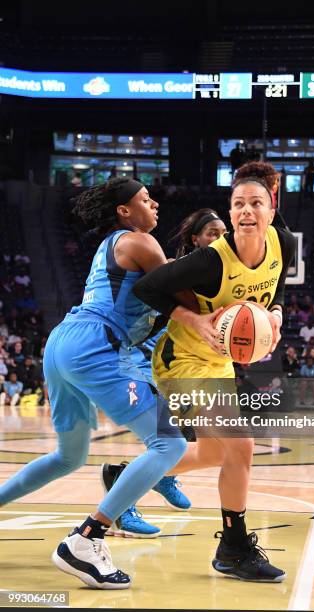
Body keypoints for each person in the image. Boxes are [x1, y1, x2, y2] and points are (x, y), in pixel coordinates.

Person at [0, 178, 187, 589]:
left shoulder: (114, 245)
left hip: (64, 342)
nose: (154, 203)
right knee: (170, 444)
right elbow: (185, 299)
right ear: (124, 210)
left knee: (69, 457)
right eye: (144, 199)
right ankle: (85, 540)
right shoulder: (140, 241)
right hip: (95, 344)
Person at [132, 161, 296, 582]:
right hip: (181, 360)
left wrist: (274, 315)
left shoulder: (282, 244)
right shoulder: (209, 261)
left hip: (217, 361)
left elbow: (275, 287)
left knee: (213, 453)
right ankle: (234, 548)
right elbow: (146, 287)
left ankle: (125, 478)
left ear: (271, 209)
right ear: (230, 210)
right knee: (240, 445)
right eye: (238, 203)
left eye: (255, 203)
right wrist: (197, 321)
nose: (246, 211)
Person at [103, 208, 227, 537]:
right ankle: (123, 501)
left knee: (208, 447)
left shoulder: (225, 272)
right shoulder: (174, 270)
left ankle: (156, 476)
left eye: (223, 233)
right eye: (212, 233)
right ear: (194, 240)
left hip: (196, 361)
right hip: (157, 357)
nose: (220, 239)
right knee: (169, 441)